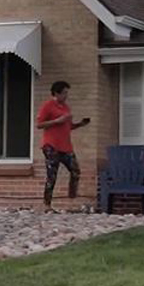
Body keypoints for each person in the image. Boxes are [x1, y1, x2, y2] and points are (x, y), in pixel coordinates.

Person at [36, 81, 90, 212]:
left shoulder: (66, 107)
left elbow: (68, 126)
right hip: (51, 146)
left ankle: (72, 197)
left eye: (67, 93)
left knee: (75, 170)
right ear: (56, 93)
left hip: (65, 147)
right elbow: (39, 124)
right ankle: (46, 205)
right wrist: (56, 121)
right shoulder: (48, 106)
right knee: (52, 175)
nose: (66, 95)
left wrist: (80, 124)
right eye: (64, 92)